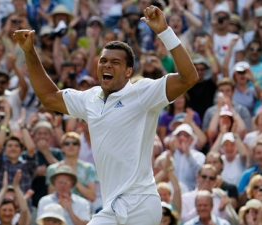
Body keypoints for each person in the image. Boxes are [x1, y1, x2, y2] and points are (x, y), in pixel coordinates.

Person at [14, 4, 198, 224]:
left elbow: (189, 78)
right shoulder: (89, 99)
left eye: (115, 62)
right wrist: (30, 52)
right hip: (114, 206)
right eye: (103, 60)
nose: (107, 65)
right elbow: (49, 96)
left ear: (129, 72)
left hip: (140, 202)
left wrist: (164, 31)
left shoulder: (142, 93)